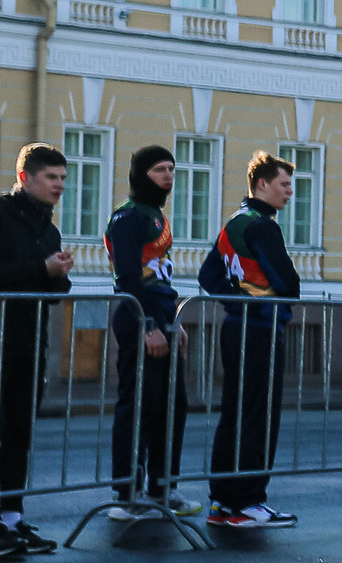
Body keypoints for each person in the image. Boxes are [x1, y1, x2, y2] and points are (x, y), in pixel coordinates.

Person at [0, 144, 75, 559]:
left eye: (63, 178)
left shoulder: (48, 229)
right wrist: (42, 270)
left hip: (30, 340)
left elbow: (49, 294)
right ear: (25, 177)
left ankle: (13, 518)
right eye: (52, 177)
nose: (60, 186)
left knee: (18, 432)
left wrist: (59, 276)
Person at [197, 152, 302, 530]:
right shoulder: (262, 225)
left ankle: (223, 502)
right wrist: (260, 301)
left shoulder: (233, 223)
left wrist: (235, 301)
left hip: (235, 326)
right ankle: (249, 501)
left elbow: (208, 274)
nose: (290, 192)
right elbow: (288, 283)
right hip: (260, 329)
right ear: (261, 185)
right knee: (259, 415)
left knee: (234, 413)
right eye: (284, 184)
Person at [105, 145, 191, 523]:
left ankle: (162, 487)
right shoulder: (127, 217)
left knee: (172, 405)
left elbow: (162, 277)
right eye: (159, 170)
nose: (168, 176)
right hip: (137, 316)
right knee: (138, 404)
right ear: (142, 174)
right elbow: (127, 278)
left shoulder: (157, 214)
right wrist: (149, 326)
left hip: (162, 314)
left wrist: (174, 320)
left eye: (171, 169)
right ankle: (127, 494)